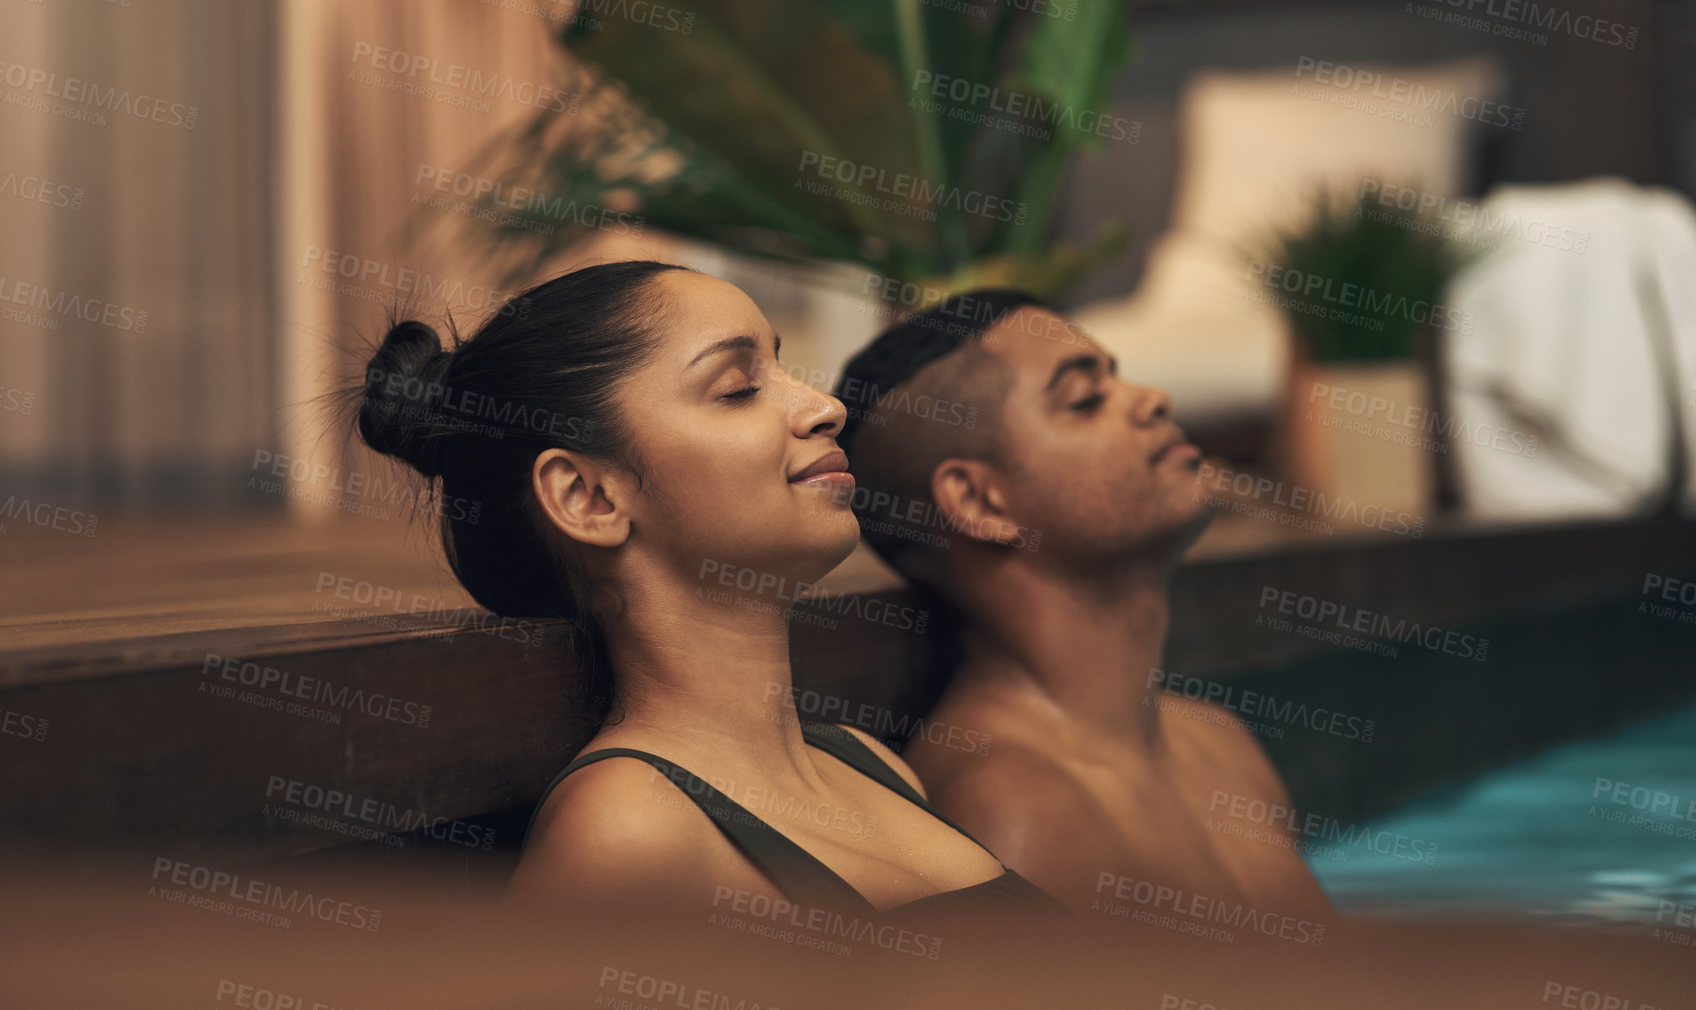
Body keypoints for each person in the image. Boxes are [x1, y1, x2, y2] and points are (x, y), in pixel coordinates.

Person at [347, 261, 1064, 926]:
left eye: (782, 367)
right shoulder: (626, 834)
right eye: (738, 389)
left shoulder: (870, 762)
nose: (822, 407)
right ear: (587, 497)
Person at [831, 289, 1333, 920]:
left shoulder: (1219, 742)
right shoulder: (1011, 818)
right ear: (982, 502)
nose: (1152, 399)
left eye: (1117, 379)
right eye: (1086, 400)